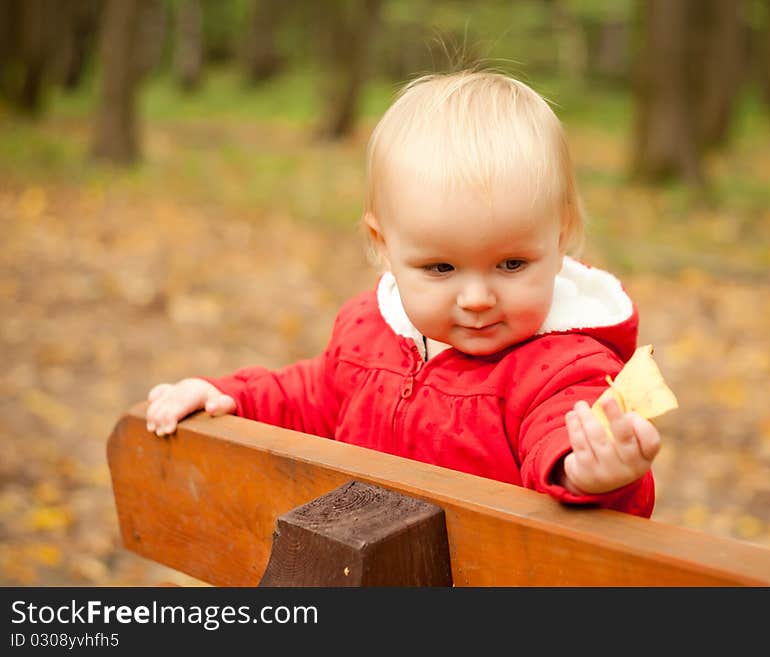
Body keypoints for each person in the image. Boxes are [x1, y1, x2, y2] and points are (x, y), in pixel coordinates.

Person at [145, 70, 662, 517]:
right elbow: (313, 396)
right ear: (384, 247)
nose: (478, 297)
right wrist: (227, 394)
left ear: (561, 236)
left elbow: (563, 434)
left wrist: (589, 471)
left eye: (512, 264)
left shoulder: (565, 369)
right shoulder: (370, 331)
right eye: (441, 267)